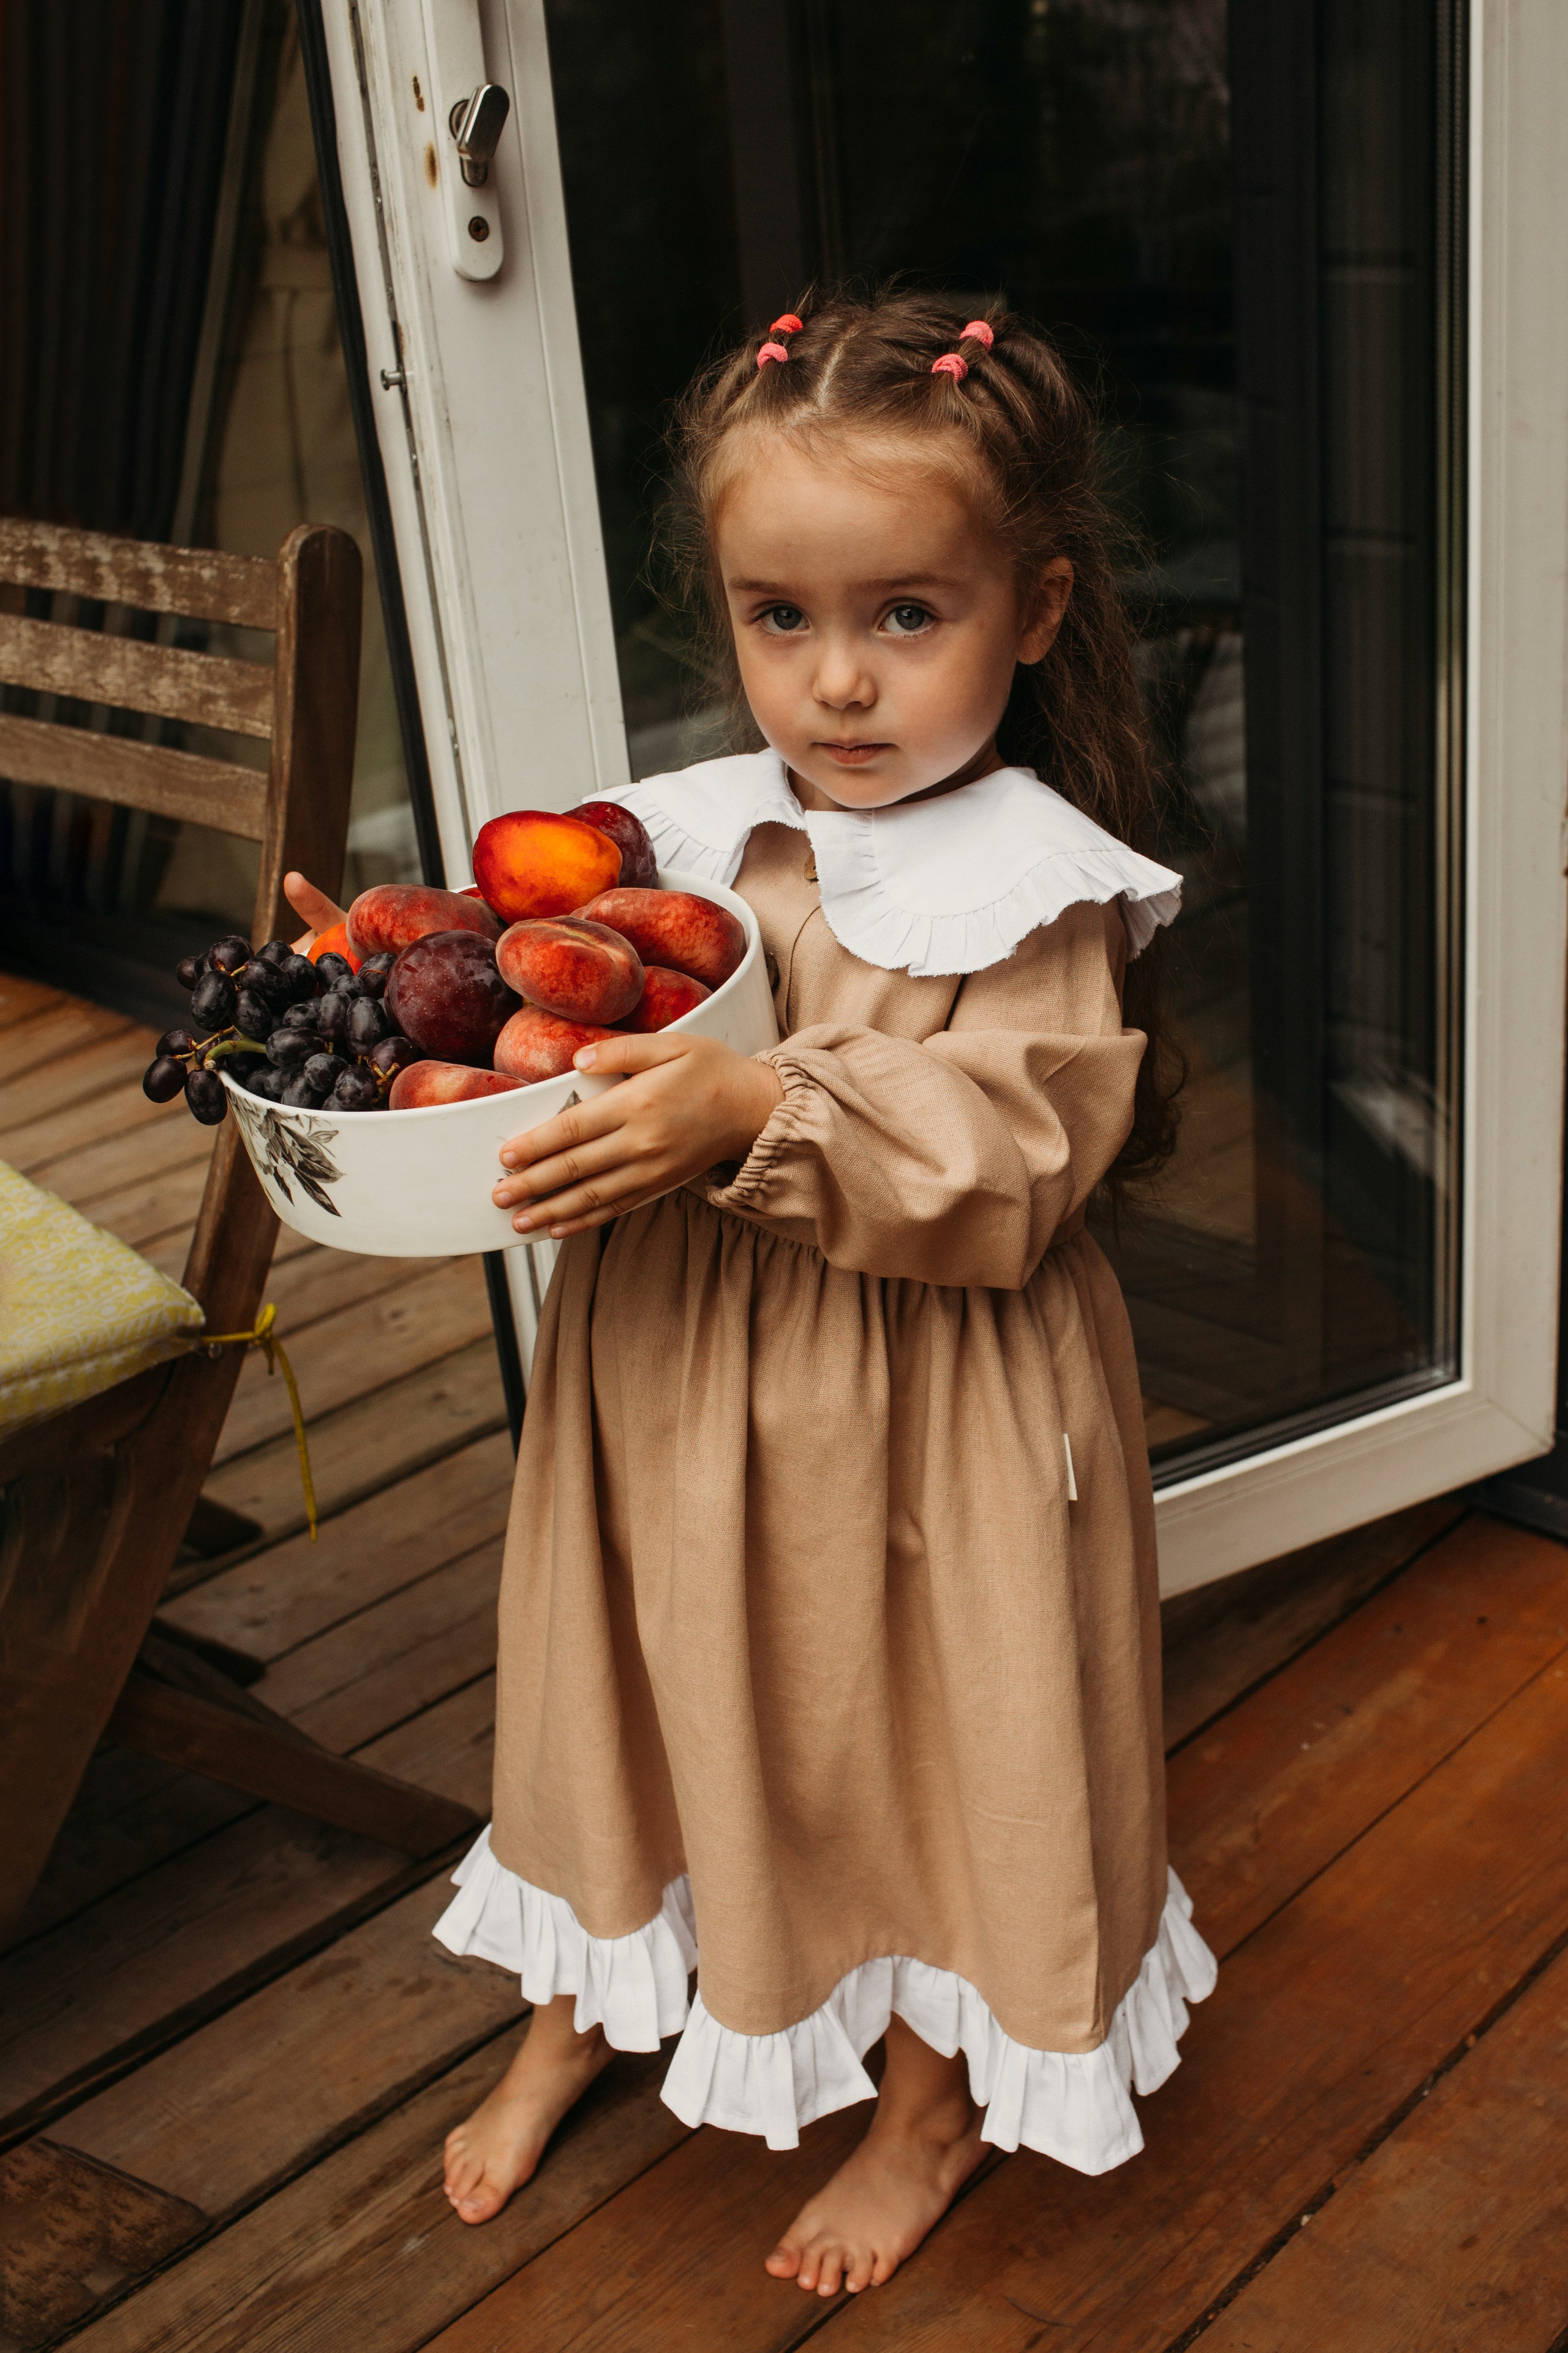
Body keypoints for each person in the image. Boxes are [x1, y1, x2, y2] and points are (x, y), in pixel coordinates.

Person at [287, 290, 1216, 2299]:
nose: (838, 684)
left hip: (921, 1407)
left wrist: (756, 1109)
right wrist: (424, 1022)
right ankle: (595, 1984)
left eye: (906, 614)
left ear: (1035, 609)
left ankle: (926, 2089)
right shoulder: (699, 836)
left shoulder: (1032, 884)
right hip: (681, 1381)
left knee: (907, 1724)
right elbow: (547, 1023)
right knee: (649, 1677)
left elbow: (1016, 1147)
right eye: (778, 617)